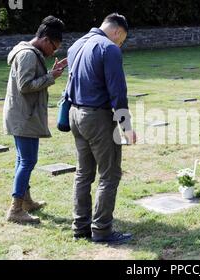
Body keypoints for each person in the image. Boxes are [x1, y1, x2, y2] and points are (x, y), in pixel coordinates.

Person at [67, 13, 137, 244]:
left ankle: (80, 226)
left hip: (75, 114)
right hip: (97, 117)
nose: (120, 44)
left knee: (83, 173)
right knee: (110, 174)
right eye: (122, 40)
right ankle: (102, 230)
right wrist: (126, 126)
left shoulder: (77, 45)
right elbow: (118, 91)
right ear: (118, 31)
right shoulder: (109, 48)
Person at [3, 16, 68, 224]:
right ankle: (15, 209)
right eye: (55, 47)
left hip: (22, 115)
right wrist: (51, 77)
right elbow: (25, 85)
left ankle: (26, 201)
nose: (54, 52)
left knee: (23, 160)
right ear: (46, 40)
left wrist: (51, 72)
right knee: (28, 161)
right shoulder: (28, 55)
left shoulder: (29, 53)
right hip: (24, 117)